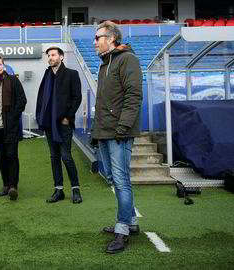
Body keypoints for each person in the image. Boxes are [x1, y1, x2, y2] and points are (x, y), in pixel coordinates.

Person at [91, 21, 143, 253]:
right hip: (104, 131)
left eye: (97, 37)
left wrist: (122, 127)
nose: (95, 42)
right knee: (113, 177)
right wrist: (96, 133)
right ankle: (131, 222)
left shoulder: (127, 59)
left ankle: (122, 229)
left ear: (111, 38)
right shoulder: (105, 64)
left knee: (121, 180)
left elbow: (134, 96)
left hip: (118, 132)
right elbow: (102, 104)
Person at [36, 46, 83, 204]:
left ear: (61, 57)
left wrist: (68, 118)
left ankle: (75, 189)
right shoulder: (47, 75)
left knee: (66, 156)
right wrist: (40, 117)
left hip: (63, 123)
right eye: (48, 55)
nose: (50, 57)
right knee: (54, 156)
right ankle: (59, 190)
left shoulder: (71, 74)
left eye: (53, 55)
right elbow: (41, 98)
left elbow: (77, 98)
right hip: (49, 123)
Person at [0, 55, 27, 201]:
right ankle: (6, 185)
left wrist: (13, 116)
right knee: (1, 157)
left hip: (10, 126)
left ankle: (13, 186)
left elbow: (22, 100)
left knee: (12, 156)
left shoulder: (13, 81)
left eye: (0, 64)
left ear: (3, 66)